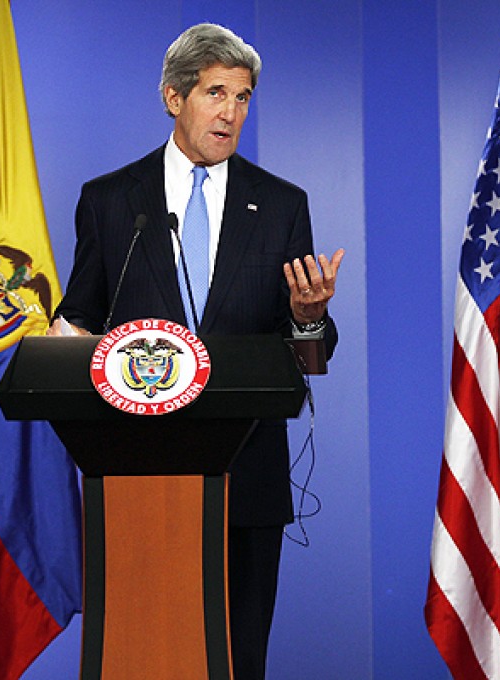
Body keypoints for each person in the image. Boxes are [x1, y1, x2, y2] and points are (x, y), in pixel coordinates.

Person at [50, 23, 344, 679]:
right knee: (142, 655)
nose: (231, 113)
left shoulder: (280, 205)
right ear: (173, 97)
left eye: (242, 98)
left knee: (239, 659)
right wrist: (60, 341)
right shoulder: (109, 201)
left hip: (247, 475)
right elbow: (80, 317)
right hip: (136, 471)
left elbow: (310, 358)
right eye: (216, 93)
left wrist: (307, 319)